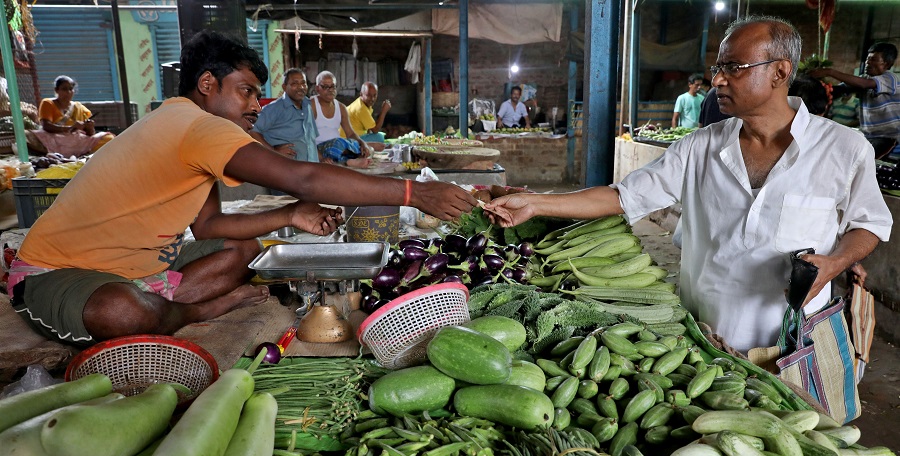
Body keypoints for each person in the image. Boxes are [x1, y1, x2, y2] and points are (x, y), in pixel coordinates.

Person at [8, 31, 476, 346]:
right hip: (59, 271)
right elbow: (303, 176)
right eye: (247, 91)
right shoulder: (196, 125)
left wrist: (292, 215)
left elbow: (209, 224)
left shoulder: (186, 124)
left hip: (143, 268)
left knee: (243, 249)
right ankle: (189, 311)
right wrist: (414, 193)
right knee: (123, 314)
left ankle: (164, 302)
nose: (256, 104)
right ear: (207, 84)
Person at [484, 16, 892, 353]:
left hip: (796, 340)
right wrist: (538, 205)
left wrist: (836, 263)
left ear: (780, 72)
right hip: (705, 335)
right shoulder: (699, 148)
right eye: (718, 68)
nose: (718, 80)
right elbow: (623, 197)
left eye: (734, 68)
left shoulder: (843, 148)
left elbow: (869, 224)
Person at [810, 43, 900, 159]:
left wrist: (829, 72)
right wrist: (817, 85)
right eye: (868, 59)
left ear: (886, 64)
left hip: (890, 138)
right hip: (869, 136)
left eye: (873, 59)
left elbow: (864, 85)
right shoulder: (864, 78)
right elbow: (839, 89)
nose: (868, 63)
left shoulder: (890, 78)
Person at [27, 76, 115, 157]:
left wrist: (90, 128)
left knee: (109, 139)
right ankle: (78, 153)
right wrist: (69, 128)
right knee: (27, 136)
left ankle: (79, 152)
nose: (68, 92)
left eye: (70, 89)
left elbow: (89, 134)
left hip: (75, 140)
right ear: (56, 90)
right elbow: (46, 126)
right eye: (64, 89)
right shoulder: (48, 103)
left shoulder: (79, 108)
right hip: (54, 138)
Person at [248, 68, 318, 163]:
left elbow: (310, 140)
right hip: (286, 169)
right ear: (284, 87)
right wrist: (273, 151)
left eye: (303, 83)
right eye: (294, 83)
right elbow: (252, 129)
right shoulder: (275, 108)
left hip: (310, 168)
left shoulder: (308, 106)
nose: (301, 87)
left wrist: (321, 159)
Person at [311, 71, 372, 167]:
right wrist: (321, 158)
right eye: (326, 87)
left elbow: (350, 133)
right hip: (319, 149)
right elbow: (307, 138)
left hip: (339, 146)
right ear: (317, 88)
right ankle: (350, 160)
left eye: (333, 86)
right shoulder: (312, 105)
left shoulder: (341, 107)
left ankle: (349, 159)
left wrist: (362, 144)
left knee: (361, 146)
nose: (330, 90)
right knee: (337, 144)